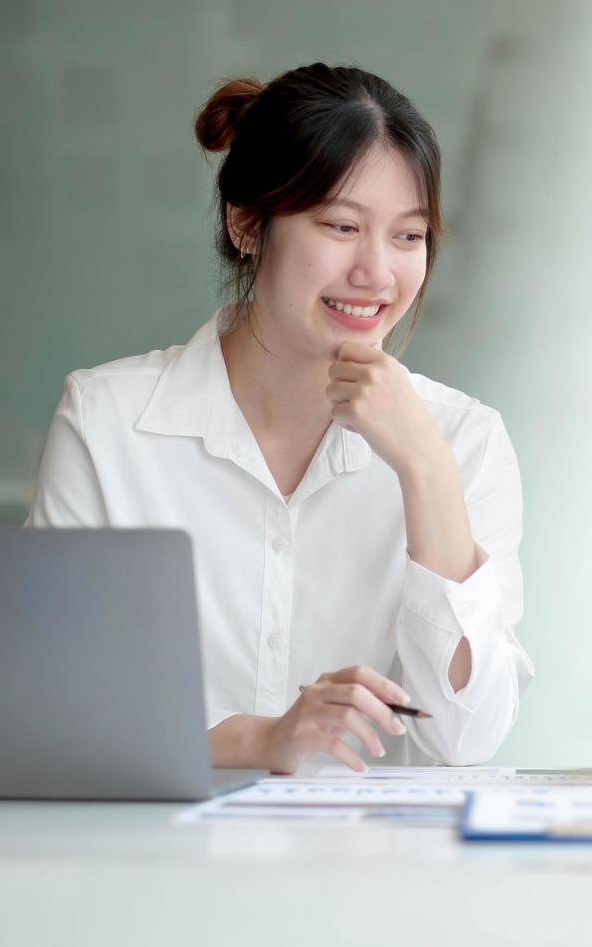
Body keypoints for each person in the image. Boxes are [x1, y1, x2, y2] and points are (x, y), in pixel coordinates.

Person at [29, 63, 531, 772]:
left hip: (374, 876)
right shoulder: (110, 423)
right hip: (155, 870)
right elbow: (52, 711)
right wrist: (257, 740)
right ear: (246, 224)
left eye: (407, 237)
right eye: (341, 226)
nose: (377, 273)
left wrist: (426, 472)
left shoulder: (462, 441)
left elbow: (465, 739)